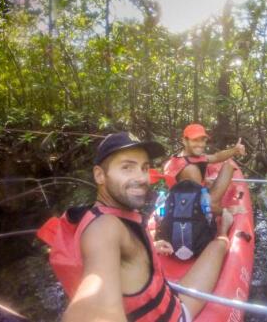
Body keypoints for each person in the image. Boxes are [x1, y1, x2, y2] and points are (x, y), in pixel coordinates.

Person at [62, 132, 233, 322]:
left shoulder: (105, 213)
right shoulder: (103, 228)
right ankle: (225, 229)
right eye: (127, 168)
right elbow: (94, 307)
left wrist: (151, 244)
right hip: (175, 316)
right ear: (100, 175)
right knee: (219, 244)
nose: (142, 178)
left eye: (144, 168)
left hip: (165, 300)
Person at [164, 123, 246, 215]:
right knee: (228, 168)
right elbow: (205, 206)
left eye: (203, 140)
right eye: (195, 140)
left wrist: (235, 150)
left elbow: (216, 157)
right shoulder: (191, 170)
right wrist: (228, 211)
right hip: (191, 212)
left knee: (228, 166)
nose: (200, 144)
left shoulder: (187, 157)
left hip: (187, 199)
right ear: (184, 141)